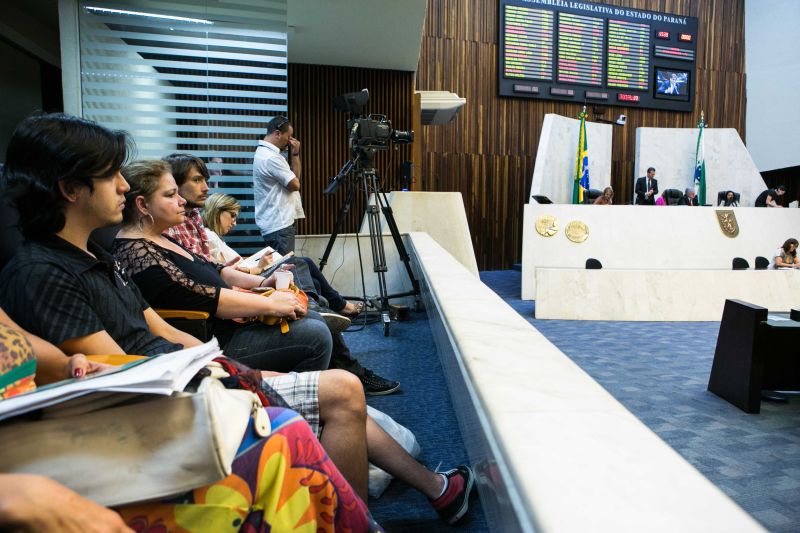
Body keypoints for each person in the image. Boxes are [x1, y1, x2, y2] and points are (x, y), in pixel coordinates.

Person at [0, 113, 476, 524]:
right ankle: (394, 504)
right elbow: (116, 367)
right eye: (110, 176)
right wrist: (225, 367)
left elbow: (163, 329)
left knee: (334, 376)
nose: (123, 185)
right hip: (160, 404)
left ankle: (409, 498)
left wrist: (225, 365)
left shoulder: (99, 254)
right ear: (69, 189)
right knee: (338, 385)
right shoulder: (44, 272)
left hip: (186, 372)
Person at [0, 310, 383, 532]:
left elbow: (41, 352)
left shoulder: (107, 259)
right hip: (33, 468)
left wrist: (69, 364)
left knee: (286, 423)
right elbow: (206, 296)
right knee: (284, 434)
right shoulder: (60, 266)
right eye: (173, 194)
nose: (121, 186)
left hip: (67, 419)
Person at [162, 155, 394, 394]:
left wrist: (261, 279)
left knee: (299, 266)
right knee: (307, 293)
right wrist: (262, 295)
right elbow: (211, 285)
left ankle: (320, 309)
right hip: (220, 322)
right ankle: (325, 316)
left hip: (234, 294)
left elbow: (216, 271)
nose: (206, 187)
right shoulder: (166, 238)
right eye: (197, 180)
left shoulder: (192, 222)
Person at [202, 192, 364, 317]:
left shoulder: (215, 238)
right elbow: (225, 271)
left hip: (253, 275)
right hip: (250, 281)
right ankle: (319, 306)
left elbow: (231, 264)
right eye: (232, 216)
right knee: (300, 262)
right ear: (217, 211)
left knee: (313, 279)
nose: (234, 223)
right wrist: (258, 267)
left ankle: (325, 305)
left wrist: (258, 263)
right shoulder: (208, 236)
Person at [253, 115, 303, 255]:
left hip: (274, 224)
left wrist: (295, 154)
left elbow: (294, 179)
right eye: (289, 136)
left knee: (281, 269)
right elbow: (295, 184)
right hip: (279, 225)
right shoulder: (272, 158)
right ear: (277, 133)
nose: (290, 141)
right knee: (285, 271)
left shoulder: (263, 152)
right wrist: (295, 155)